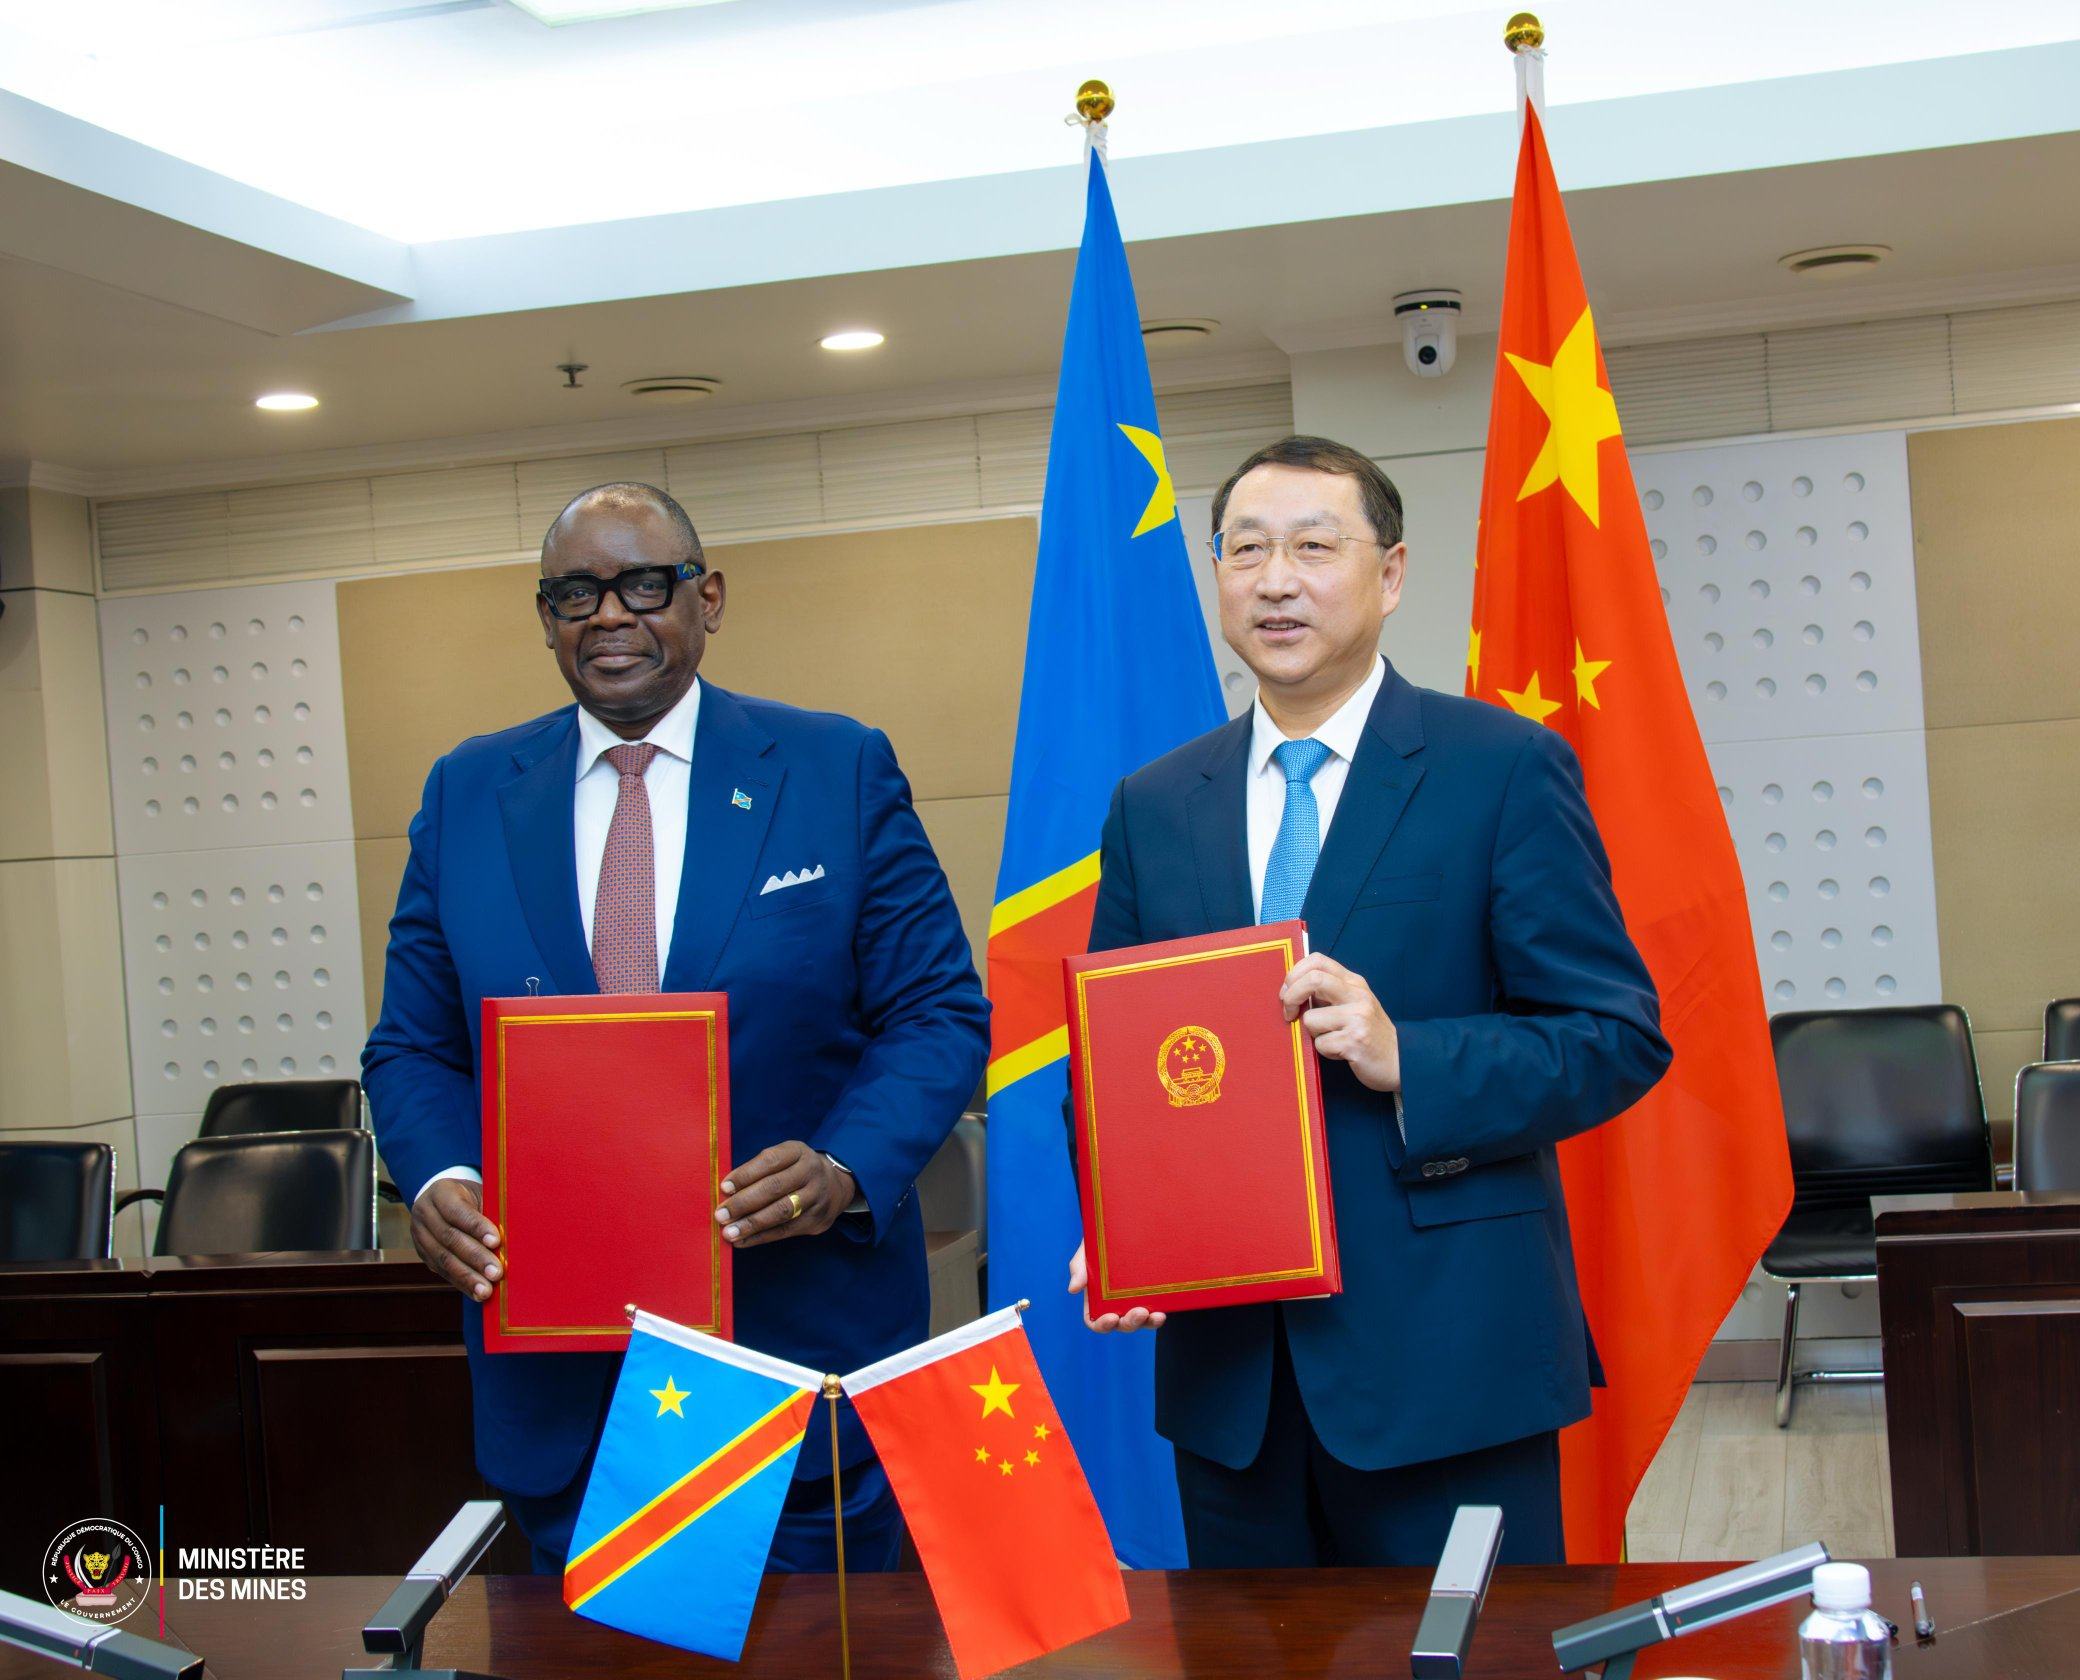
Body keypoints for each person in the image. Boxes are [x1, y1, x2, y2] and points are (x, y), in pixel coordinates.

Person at [1067, 435, 1671, 1567]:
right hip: (1231, 1385)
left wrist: (1412, 1056)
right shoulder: (1156, 804)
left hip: (1446, 1365)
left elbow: (1613, 1036)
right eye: (1243, 550)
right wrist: (1123, 1215)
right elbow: (1114, 1056)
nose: (1275, 579)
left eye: (1312, 546)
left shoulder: (1498, 766)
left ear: (1389, 575)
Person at [364, 482, 988, 1573]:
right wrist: (436, 1178)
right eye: (574, 594)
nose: (609, 617)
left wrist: (843, 1166)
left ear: (708, 596)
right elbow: (413, 1044)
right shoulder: (467, 792)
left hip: (792, 1366)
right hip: (560, 1388)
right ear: (545, 617)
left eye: (643, 586)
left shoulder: (834, 768)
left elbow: (937, 1012)